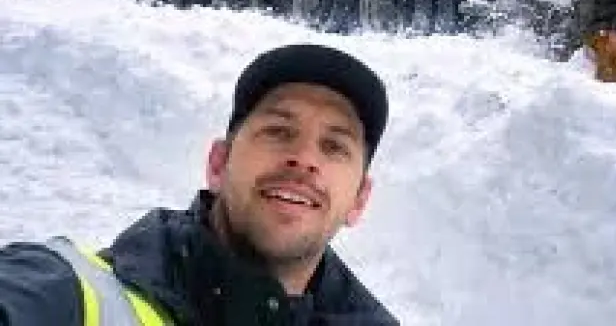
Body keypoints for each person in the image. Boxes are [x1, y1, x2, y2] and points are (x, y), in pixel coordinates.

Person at [0, 43, 399, 325]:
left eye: (334, 146)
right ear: (218, 164)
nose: (305, 159)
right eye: (279, 131)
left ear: (359, 201)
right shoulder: (65, 293)